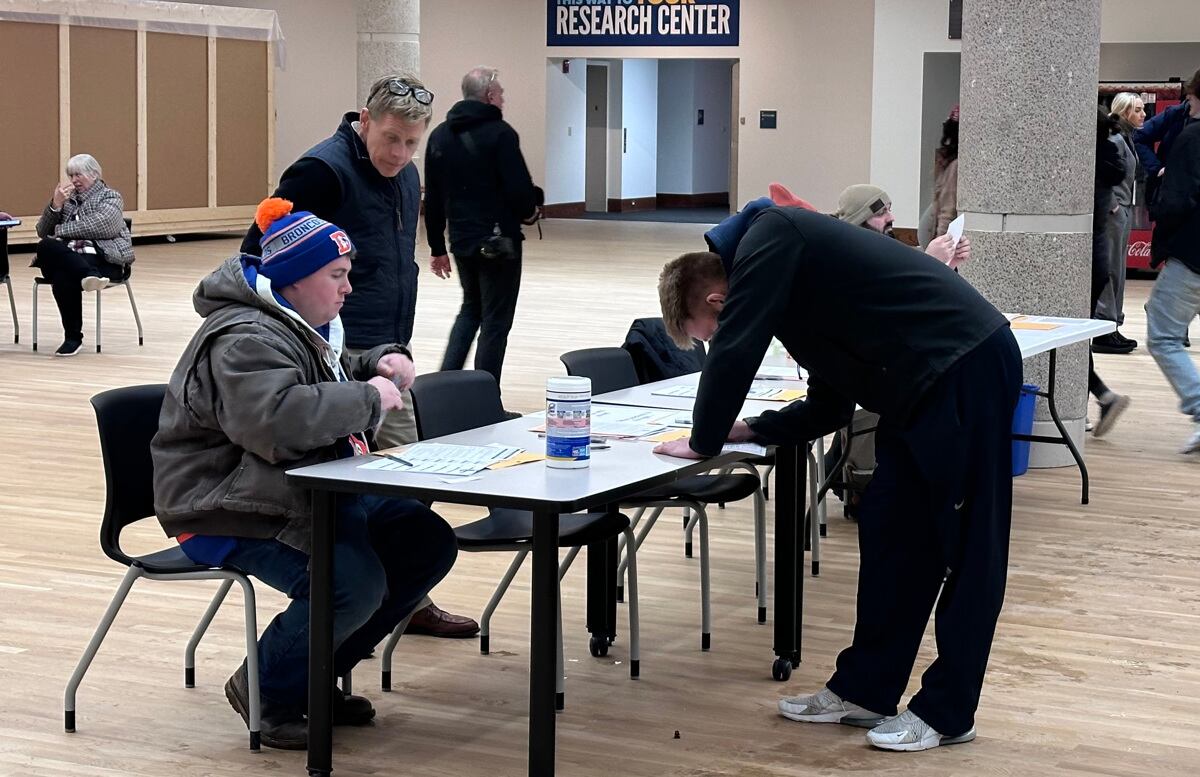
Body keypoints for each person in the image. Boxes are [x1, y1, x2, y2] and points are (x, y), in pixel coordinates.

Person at [653, 199, 1020, 752]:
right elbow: (830, 405)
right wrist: (748, 429)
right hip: (917, 388)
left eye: (703, 333)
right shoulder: (789, 276)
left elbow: (735, 351)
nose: (711, 342)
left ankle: (949, 713)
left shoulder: (771, 236)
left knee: (969, 546)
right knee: (891, 531)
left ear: (718, 301)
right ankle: (865, 689)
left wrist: (703, 440)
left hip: (965, 368)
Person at [153, 199, 460, 749]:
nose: (348, 288)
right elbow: (276, 423)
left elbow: (321, 374)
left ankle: (311, 679)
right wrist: (367, 398)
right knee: (352, 584)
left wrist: (376, 362)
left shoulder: (289, 323)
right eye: (336, 275)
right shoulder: (244, 338)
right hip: (223, 505)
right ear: (293, 279)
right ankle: (268, 691)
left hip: (280, 489)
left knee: (423, 539)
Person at [239, 73, 479, 638]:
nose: (400, 154)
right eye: (391, 138)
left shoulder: (406, 173)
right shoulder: (319, 173)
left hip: (386, 353)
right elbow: (259, 261)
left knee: (409, 477)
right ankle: (366, 601)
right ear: (364, 121)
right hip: (332, 357)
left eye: (412, 142)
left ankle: (401, 596)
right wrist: (307, 341)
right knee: (374, 483)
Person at [424, 66, 542, 403]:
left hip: (461, 241)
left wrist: (437, 247)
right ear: (489, 95)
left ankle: (442, 392)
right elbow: (519, 190)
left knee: (470, 310)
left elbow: (433, 197)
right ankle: (484, 401)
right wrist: (531, 211)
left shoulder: (440, 135)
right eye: (500, 93)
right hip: (499, 243)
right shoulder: (501, 134)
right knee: (496, 322)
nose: (503, 98)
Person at [33, 153, 133, 356]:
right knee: (45, 245)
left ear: (94, 174)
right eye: (71, 175)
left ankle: (72, 339)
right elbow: (43, 231)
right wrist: (55, 205)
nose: (74, 180)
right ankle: (89, 275)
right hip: (73, 258)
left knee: (63, 276)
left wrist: (60, 231)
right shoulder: (67, 200)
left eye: (78, 175)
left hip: (101, 258)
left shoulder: (110, 196)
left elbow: (102, 225)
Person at [1145, 117, 1200, 455]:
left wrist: (1162, 240)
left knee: (1164, 337)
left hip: (1192, 255)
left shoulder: (1192, 137)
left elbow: (1176, 201)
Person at [1088, 108, 1133, 434]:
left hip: (1082, 264)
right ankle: (1101, 397)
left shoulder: (1087, 166)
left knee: (1070, 341)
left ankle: (1101, 396)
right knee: (1076, 339)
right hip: (1097, 264)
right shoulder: (1107, 160)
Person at [1093, 93, 1145, 353]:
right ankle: (1105, 327)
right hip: (1115, 210)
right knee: (1111, 269)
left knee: (1118, 269)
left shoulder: (1126, 138)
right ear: (1125, 112)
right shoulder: (1116, 139)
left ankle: (1112, 324)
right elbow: (1103, 172)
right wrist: (1112, 203)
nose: (1143, 114)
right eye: (1138, 110)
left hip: (1122, 209)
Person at [931, 105, 960, 239]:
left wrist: (940, 240)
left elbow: (948, 211)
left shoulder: (955, 166)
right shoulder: (948, 163)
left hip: (945, 238)